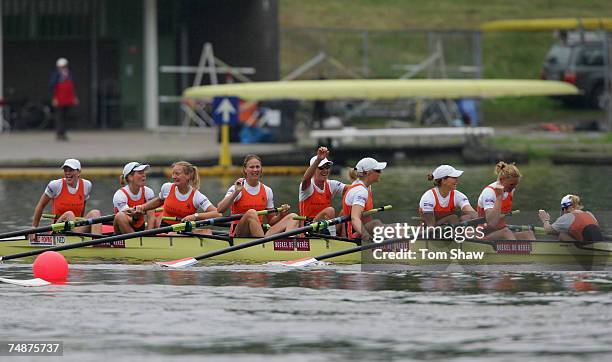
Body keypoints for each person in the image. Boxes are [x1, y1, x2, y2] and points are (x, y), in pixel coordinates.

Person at [217, 154, 299, 237]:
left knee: (293, 217)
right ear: (245, 169)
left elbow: (271, 221)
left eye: (257, 167)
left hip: (258, 233)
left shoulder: (267, 190)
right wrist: (236, 192)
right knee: (251, 213)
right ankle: (263, 245)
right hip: (239, 233)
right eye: (252, 167)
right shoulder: (238, 188)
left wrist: (281, 215)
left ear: (261, 169)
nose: (255, 170)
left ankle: (289, 246)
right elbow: (220, 209)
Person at [132, 161, 220, 234]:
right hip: (165, 229)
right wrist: (142, 207)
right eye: (173, 173)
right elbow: (159, 201)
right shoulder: (167, 188)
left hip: (185, 230)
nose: (173, 177)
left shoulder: (197, 196)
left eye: (177, 174)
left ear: (188, 175)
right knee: (170, 233)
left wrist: (195, 216)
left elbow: (218, 214)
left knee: (208, 232)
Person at [31, 159, 101, 239]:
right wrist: (34, 228)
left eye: (71, 170)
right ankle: (80, 239)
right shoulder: (55, 185)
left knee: (95, 213)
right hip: (58, 229)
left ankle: (97, 244)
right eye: (65, 170)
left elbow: (82, 208)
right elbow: (41, 205)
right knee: (69, 214)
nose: (67, 173)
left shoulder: (87, 185)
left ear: (78, 172)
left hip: (76, 227)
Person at [476, 162, 535, 240]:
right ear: (501, 180)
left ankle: (534, 252)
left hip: (500, 231)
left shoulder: (510, 189)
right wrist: (499, 197)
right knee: (506, 232)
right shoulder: (489, 192)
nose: (513, 187)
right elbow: (492, 222)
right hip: (483, 235)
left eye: (516, 184)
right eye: (511, 184)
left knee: (528, 234)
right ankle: (516, 251)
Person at [299, 146, 346, 233]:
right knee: (330, 210)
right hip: (309, 228)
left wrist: (364, 184)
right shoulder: (307, 186)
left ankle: (347, 239)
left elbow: (350, 189)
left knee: (346, 211)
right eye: (321, 167)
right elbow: (306, 179)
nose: (325, 170)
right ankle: (333, 238)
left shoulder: (331, 184)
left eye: (327, 167)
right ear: (313, 170)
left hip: (325, 226)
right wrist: (318, 160)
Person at [341, 157, 386, 240]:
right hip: (353, 237)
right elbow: (355, 218)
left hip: (362, 230)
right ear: (368, 173)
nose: (380, 173)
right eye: (378, 171)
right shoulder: (360, 191)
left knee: (398, 227)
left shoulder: (366, 187)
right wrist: (366, 237)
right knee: (376, 223)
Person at [112, 162, 157, 234]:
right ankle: (136, 242)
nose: (144, 175)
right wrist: (136, 217)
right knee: (120, 216)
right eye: (140, 173)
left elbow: (151, 217)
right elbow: (128, 220)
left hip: (140, 227)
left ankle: (141, 241)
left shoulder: (148, 191)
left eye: (144, 172)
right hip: (121, 230)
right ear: (130, 177)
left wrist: (149, 235)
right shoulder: (120, 195)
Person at [538, 195, 603, 242]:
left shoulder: (567, 217)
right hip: (599, 243)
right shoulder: (589, 214)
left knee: (562, 235)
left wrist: (545, 220)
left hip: (586, 247)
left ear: (564, 208)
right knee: (566, 233)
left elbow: (548, 230)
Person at [48, 57, 78, 141]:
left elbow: (72, 88)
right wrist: (54, 98)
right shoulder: (56, 75)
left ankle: (63, 133)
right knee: (59, 117)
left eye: (64, 66)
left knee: (65, 117)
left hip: (67, 99)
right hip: (59, 99)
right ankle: (59, 133)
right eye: (61, 66)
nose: (63, 68)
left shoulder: (69, 75)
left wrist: (74, 97)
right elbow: (51, 87)